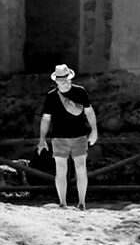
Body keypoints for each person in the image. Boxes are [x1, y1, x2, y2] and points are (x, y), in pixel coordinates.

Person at [36, 63, 98, 210]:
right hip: (59, 137)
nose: (62, 81)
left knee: (81, 168)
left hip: (79, 136)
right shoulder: (51, 96)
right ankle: (62, 202)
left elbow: (89, 112)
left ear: (69, 78)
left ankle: (82, 202)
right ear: (56, 80)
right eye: (59, 79)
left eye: (64, 78)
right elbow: (46, 118)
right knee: (61, 169)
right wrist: (41, 140)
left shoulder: (80, 92)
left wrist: (94, 131)